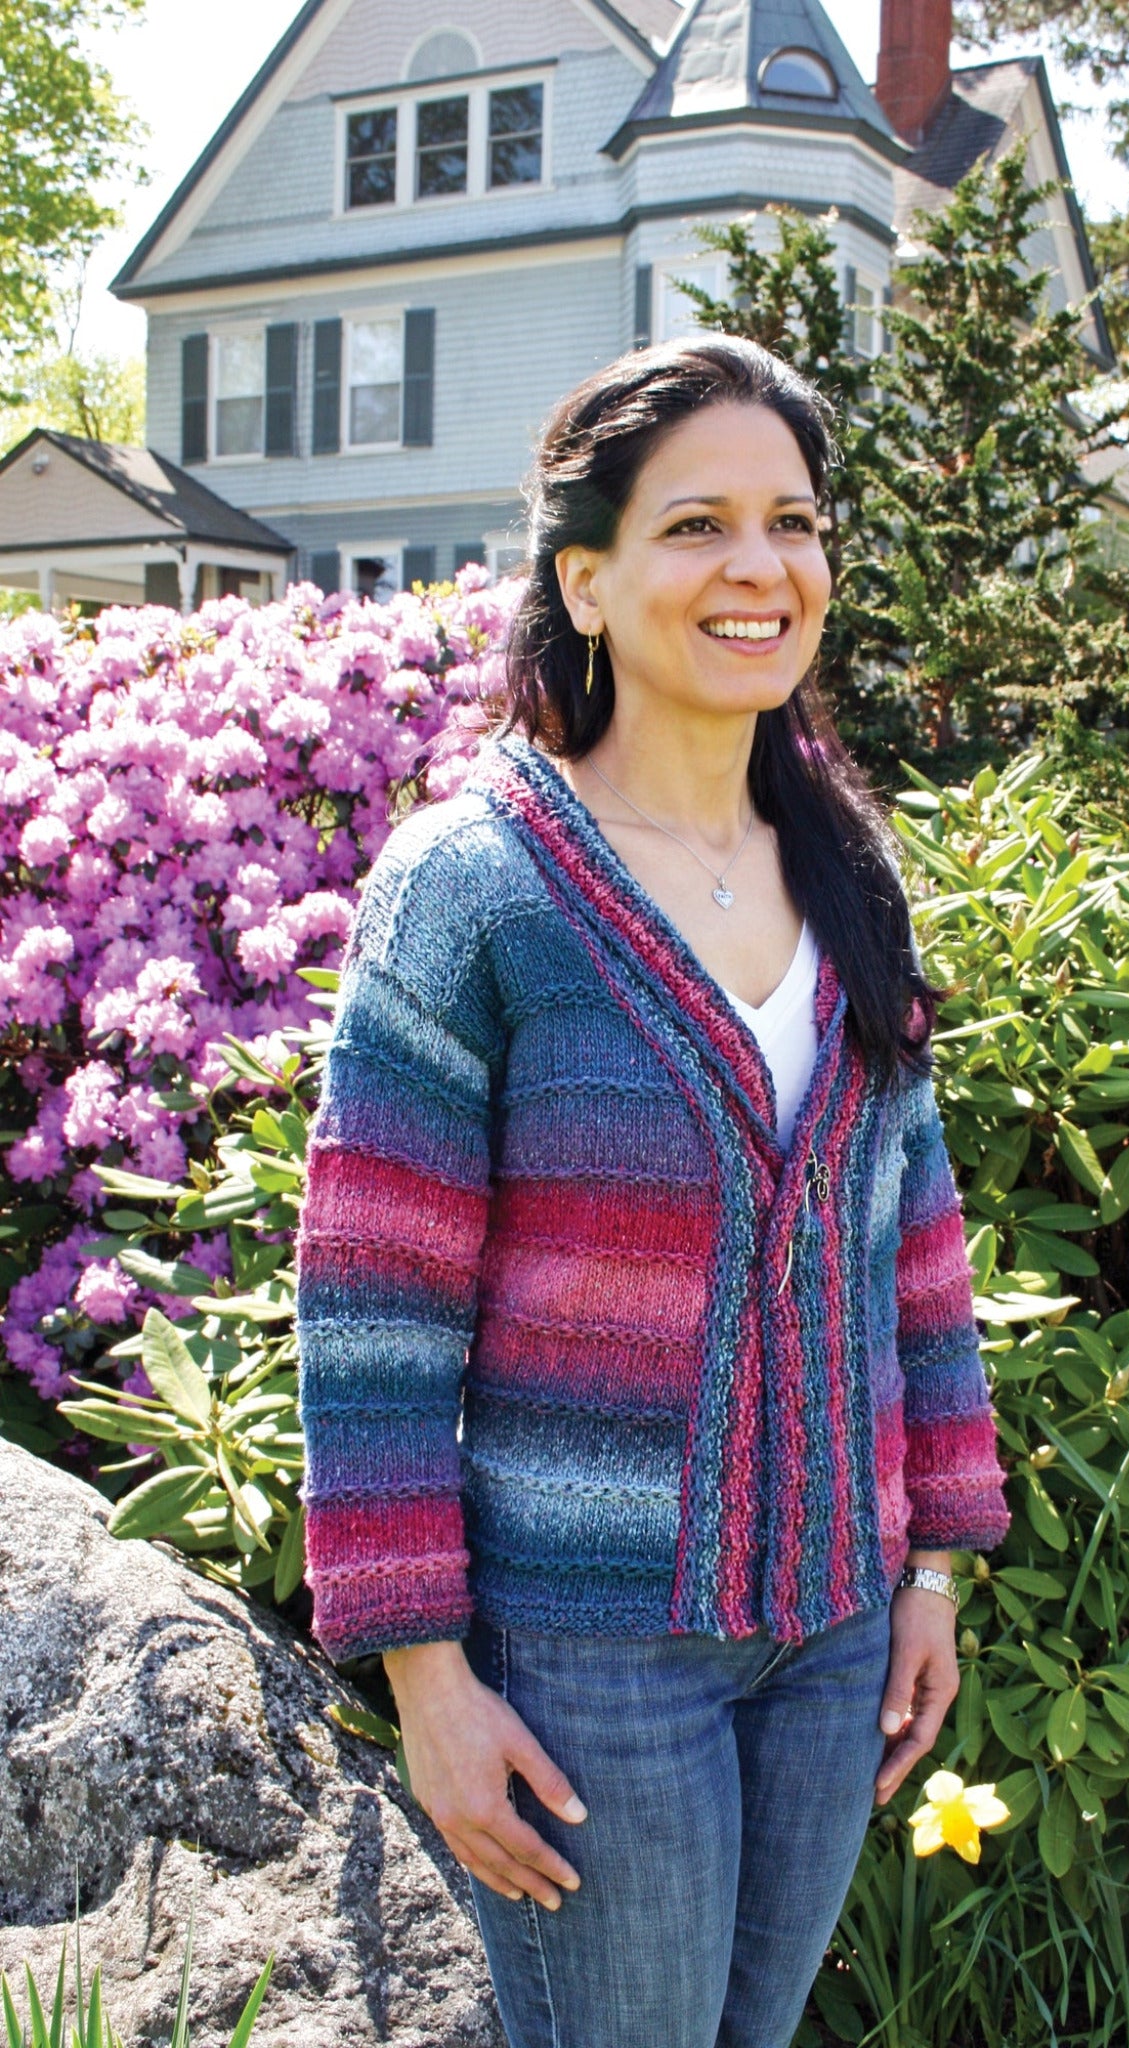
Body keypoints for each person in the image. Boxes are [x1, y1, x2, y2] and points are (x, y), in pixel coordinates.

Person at [295, 335, 1010, 2048]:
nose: (760, 569)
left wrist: (930, 1572)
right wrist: (428, 1681)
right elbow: (370, 1309)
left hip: (836, 1633)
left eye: (794, 522)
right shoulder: (473, 889)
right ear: (587, 579)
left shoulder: (844, 866)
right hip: (589, 1663)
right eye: (696, 527)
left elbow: (911, 1240)